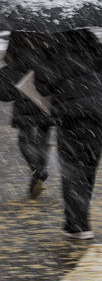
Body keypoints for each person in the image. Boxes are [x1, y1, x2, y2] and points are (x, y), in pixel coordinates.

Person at [34, 29, 102, 239]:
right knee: (88, 168)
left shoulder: (55, 55)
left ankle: (77, 224)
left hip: (70, 119)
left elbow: (41, 88)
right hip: (100, 119)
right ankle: (80, 220)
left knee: (72, 169)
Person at [0, 32, 54, 199]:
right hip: (45, 93)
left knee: (24, 137)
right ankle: (41, 167)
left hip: (24, 91)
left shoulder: (18, 34)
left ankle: (36, 168)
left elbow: (8, 60)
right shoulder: (51, 34)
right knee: (44, 136)